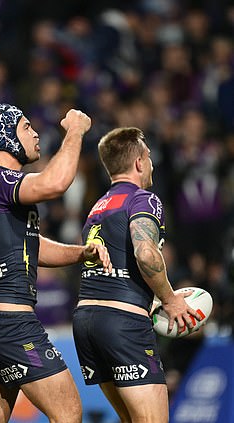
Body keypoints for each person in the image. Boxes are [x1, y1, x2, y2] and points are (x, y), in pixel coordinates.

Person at [0, 103, 110, 423]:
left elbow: (32, 245)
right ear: (4, 136)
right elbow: (54, 183)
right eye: (25, 127)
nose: (34, 135)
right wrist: (74, 131)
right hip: (12, 322)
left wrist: (80, 253)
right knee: (69, 414)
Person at [72, 127, 201, 422]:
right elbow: (145, 253)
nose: (152, 164)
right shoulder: (143, 199)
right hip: (122, 324)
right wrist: (169, 299)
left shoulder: (97, 207)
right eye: (149, 156)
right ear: (140, 163)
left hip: (86, 322)